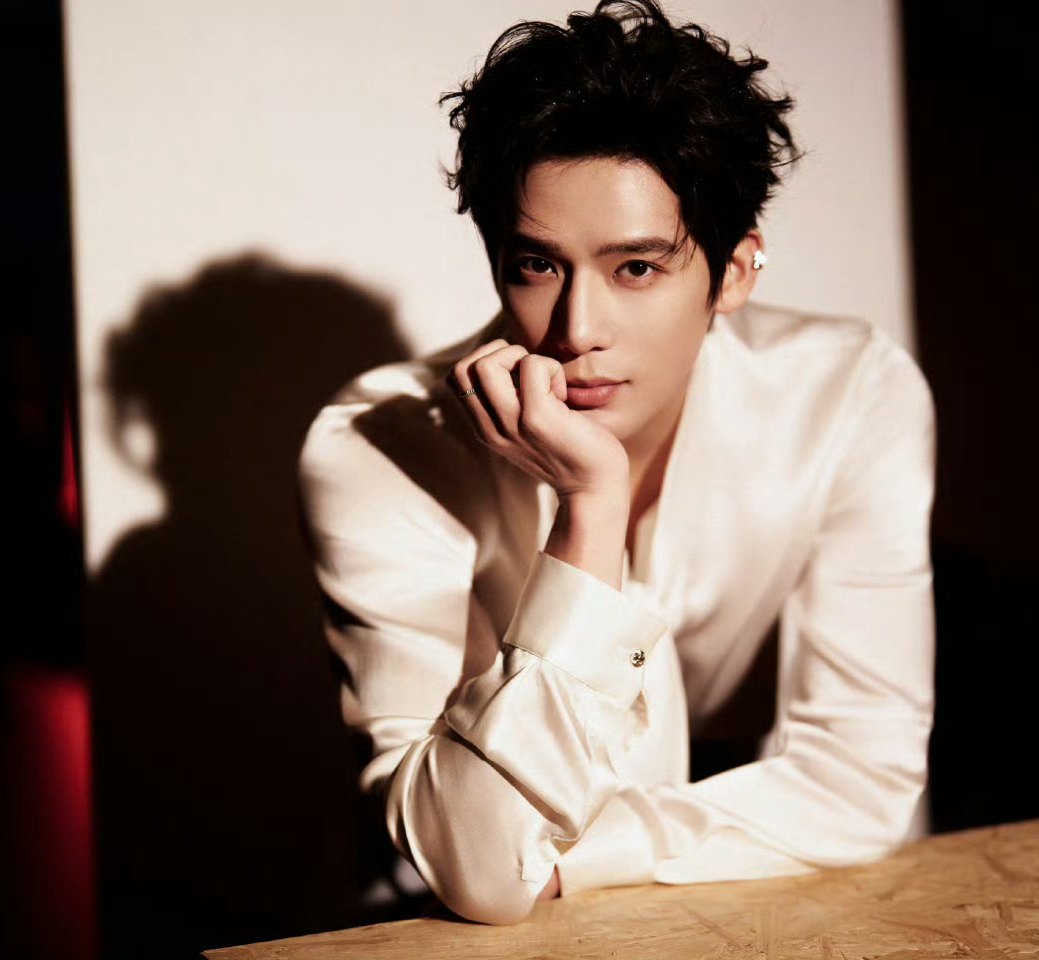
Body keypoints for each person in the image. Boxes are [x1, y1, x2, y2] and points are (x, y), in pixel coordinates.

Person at [299, 0, 935, 926]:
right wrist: (591, 509)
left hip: (785, 905)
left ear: (735, 271)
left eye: (636, 268)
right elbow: (479, 872)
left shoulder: (848, 395)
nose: (577, 330)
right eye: (537, 265)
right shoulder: (378, 446)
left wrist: (584, 860)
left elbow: (862, 776)